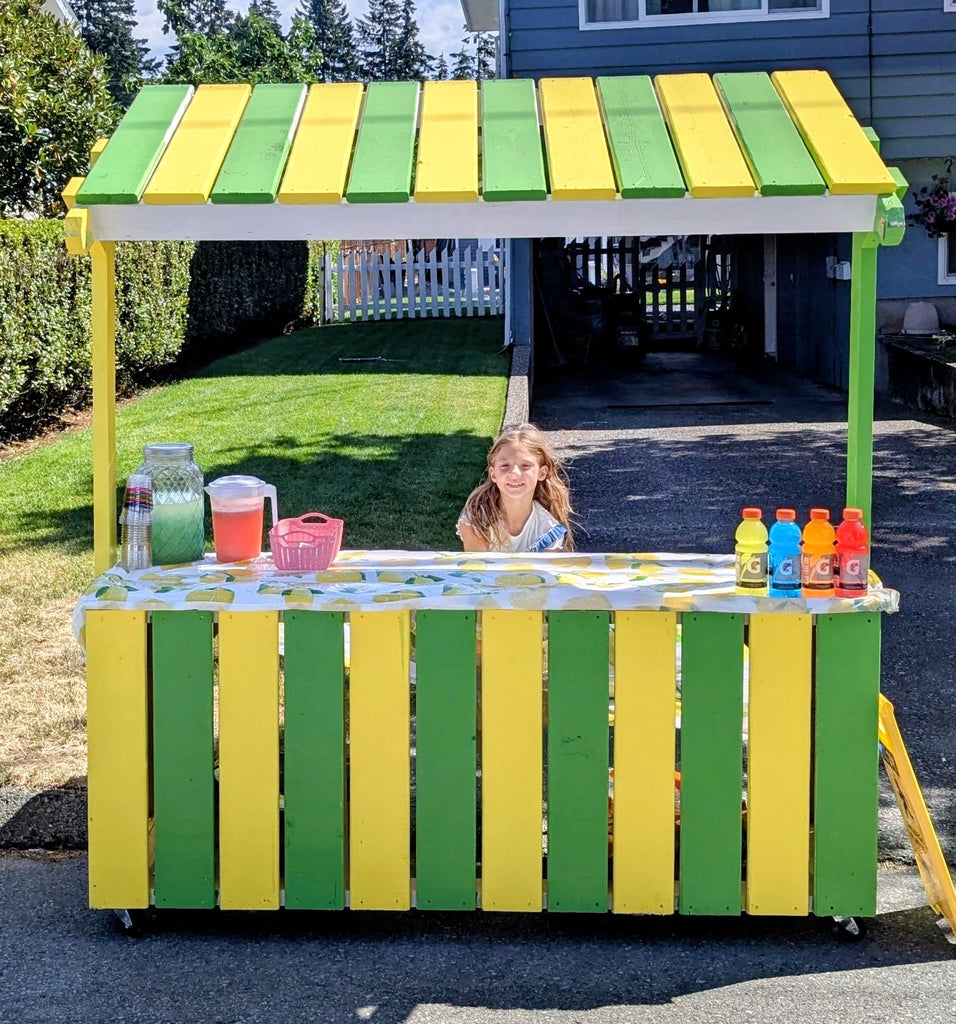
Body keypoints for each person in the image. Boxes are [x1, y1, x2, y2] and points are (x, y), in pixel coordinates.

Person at [457, 424, 574, 552]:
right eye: (505, 465)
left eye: (525, 465)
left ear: (542, 473)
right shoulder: (477, 520)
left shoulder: (549, 530)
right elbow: (479, 570)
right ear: (493, 474)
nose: (515, 473)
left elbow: (540, 572)